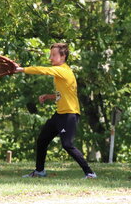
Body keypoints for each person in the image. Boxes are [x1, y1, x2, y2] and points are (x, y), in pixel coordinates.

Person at [15, 43, 96, 179]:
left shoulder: (63, 71)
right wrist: (48, 96)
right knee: (42, 140)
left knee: (67, 145)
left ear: (63, 56)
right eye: (50, 55)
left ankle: (90, 173)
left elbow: (43, 70)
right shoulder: (61, 73)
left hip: (69, 115)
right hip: (59, 115)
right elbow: (61, 95)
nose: (50, 58)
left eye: (53, 55)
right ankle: (39, 171)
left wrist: (21, 69)